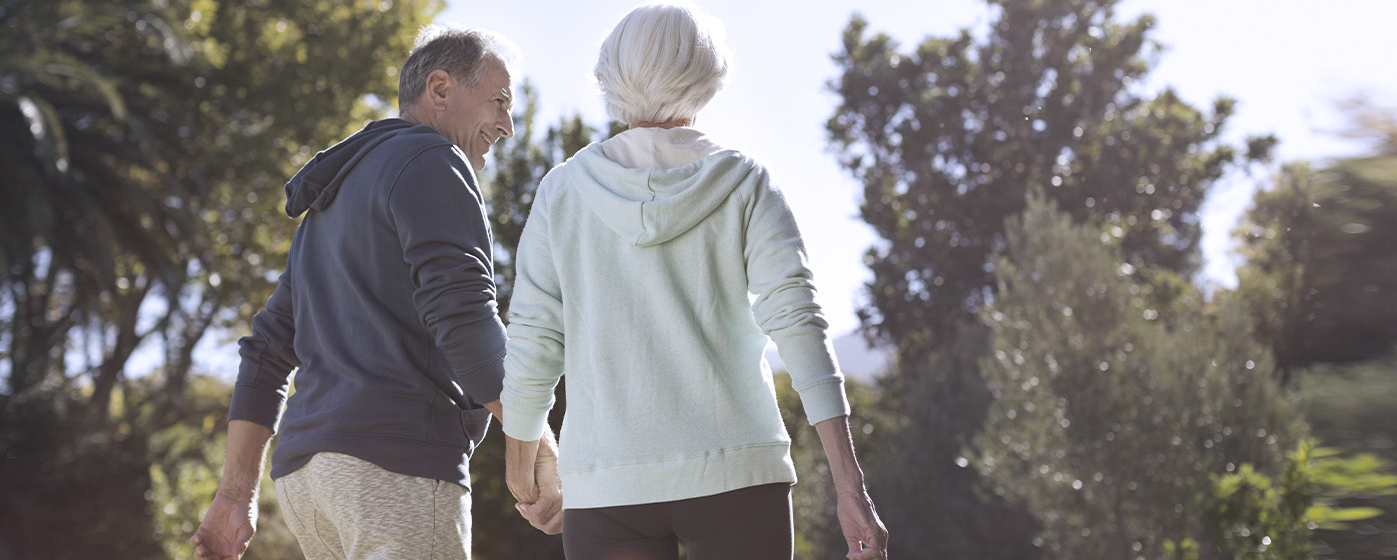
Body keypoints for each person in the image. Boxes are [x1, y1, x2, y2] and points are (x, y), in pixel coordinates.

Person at [498, 3, 888, 559]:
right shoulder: (745, 183)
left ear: (611, 74)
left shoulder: (563, 192)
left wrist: (524, 475)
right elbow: (800, 325)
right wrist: (851, 488)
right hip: (739, 475)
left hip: (607, 484)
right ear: (709, 75)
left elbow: (535, 341)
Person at [189, 25, 561, 560]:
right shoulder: (435, 160)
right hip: (395, 467)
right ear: (439, 89)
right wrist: (538, 442)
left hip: (308, 483)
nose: (507, 124)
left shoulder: (328, 205)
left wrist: (234, 495)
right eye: (498, 101)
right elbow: (462, 316)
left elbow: (267, 352)